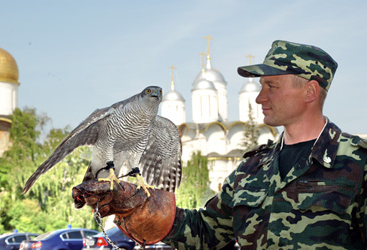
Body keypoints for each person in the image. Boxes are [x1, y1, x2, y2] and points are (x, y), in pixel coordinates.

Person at [74, 40, 367, 249]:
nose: (258, 97)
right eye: (261, 86)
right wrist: (141, 208)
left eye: (271, 86)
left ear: (309, 92)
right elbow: (208, 232)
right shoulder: (252, 168)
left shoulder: (358, 163)